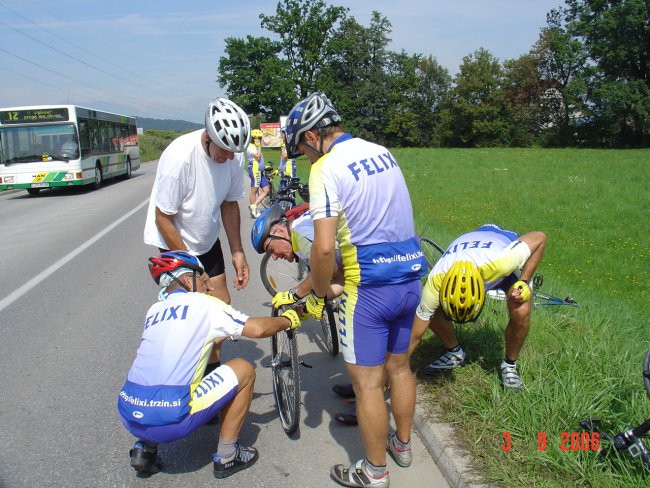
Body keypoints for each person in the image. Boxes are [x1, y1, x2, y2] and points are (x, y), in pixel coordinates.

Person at [285, 92, 427, 488]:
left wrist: (314, 291)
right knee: (399, 368)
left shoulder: (325, 168)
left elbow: (324, 246)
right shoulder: (382, 151)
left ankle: (374, 471)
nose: (305, 158)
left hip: (369, 288)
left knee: (366, 383)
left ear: (313, 136)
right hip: (410, 276)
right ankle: (403, 446)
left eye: (302, 149)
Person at [118, 251, 303, 479]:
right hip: (173, 419)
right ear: (188, 280)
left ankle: (144, 449)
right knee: (243, 369)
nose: (209, 288)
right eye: (204, 281)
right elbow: (257, 329)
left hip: (129, 414)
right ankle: (228, 456)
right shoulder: (204, 304)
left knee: (161, 369)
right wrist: (289, 319)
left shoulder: (154, 310)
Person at [143, 97, 251, 369]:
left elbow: (229, 204)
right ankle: (184, 373)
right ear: (208, 137)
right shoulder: (179, 158)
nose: (229, 157)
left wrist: (238, 251)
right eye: (224, 149)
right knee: (194, 313)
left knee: (221, 304)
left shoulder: (234, 156)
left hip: (206, 237)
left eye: (234, 151)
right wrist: (191, 266)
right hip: (174, 241)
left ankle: (211, 371)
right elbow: (162, 217)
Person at [409, 224, 547, 391]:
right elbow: (415, 335)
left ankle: (509, 365)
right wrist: (393, 370)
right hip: (468, 248)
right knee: (431, 310)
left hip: (499, 248)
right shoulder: (435, 282)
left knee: (521, 309)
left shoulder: (503, 261)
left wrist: (523, 281)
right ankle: (454, 352)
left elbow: (539, 236)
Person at [250, 203, 344, 304]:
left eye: (271, 250)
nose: (274, 257)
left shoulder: (301, 239)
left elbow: (324, 269)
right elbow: (342, 279)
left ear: (280, 231)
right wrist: (310, 305)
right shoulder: (298, 228)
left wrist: (294, 294)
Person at [247, 129, 270, 218]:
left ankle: (254, 206)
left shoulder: (255, 146)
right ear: (254, 138)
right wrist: (259, 147)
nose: (260, 139)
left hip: (260, 171)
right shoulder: (251, 147)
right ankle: (254, 211)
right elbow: (258, 156)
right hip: (254, 170)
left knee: (266, 190)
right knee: (254, 190)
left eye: (260, 138)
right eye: (259, 138)